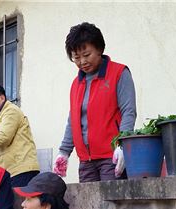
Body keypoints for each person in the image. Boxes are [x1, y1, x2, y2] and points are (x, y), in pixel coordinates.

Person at [54, 22, 136, 182]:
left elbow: (129, 111)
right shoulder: (76, 84)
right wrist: (64, 152)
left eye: (86, 55)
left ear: (99, 49)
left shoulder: (119, 73)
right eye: (76, 57)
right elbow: (73, 121)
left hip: (111, 157)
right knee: (89, 206)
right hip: (86, 162)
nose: (82, 61)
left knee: (110, 205)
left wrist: (122, 145)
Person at [0, 84, 40, 187]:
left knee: (20, 203)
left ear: (2, 98)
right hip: (13, 172)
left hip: (21, 171)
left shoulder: (11, 111)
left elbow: (3, 138)